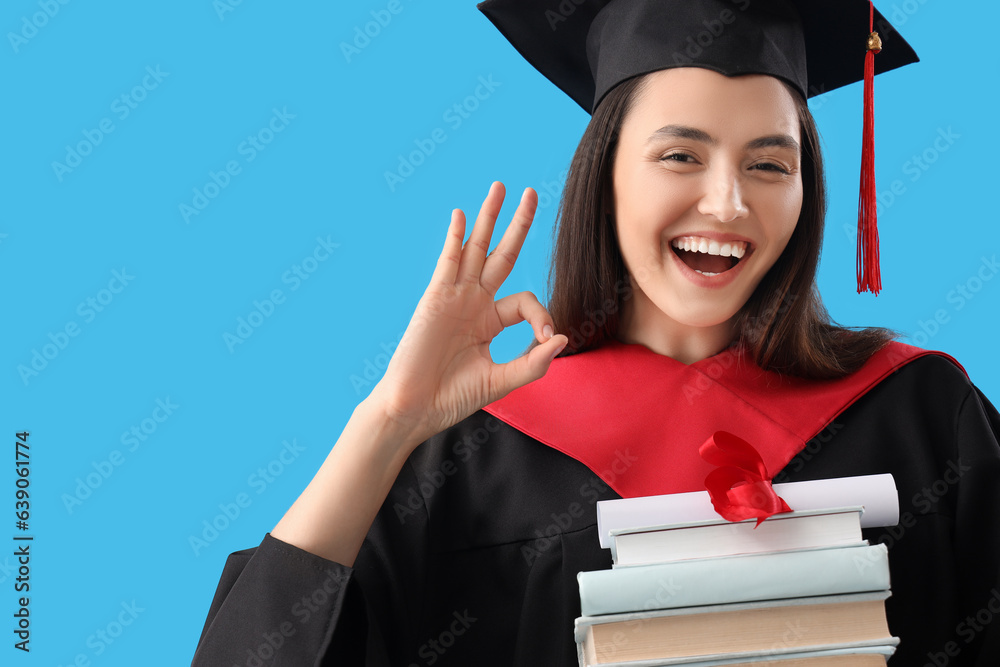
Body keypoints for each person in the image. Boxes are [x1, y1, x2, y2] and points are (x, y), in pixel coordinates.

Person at [191, 1, 1000, 665]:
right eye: (680, 155)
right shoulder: (470, 461)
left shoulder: (926, 416)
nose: (727, 204)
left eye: (769, 164)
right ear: (605, 173)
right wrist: (389, 422)